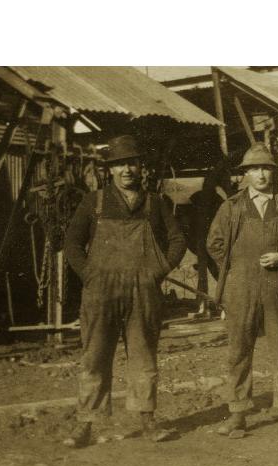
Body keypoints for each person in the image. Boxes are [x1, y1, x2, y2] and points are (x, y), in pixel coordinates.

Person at [63, 134, 186, 446]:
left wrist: (157, 271)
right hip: (100, 292)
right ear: (111, 170)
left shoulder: (154, 203)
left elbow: (178, 241)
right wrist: (89, 275)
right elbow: (72, 244)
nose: (126, 170)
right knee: (94, 357)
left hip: (142, 292)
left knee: (144, 357)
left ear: (139, 167)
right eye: (119, 165)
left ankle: (148, 421)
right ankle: (84, 425)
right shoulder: (95, 202)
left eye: (131, 163)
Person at [207, 143, 278, 437]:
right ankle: (237, 414)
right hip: (240, 289)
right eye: (254, 169)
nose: (261, 174)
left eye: (266, 168)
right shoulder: (231, 207)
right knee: (239, 351)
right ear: (245, 174)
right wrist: (234, 272)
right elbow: (214, 244)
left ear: (273, 172)